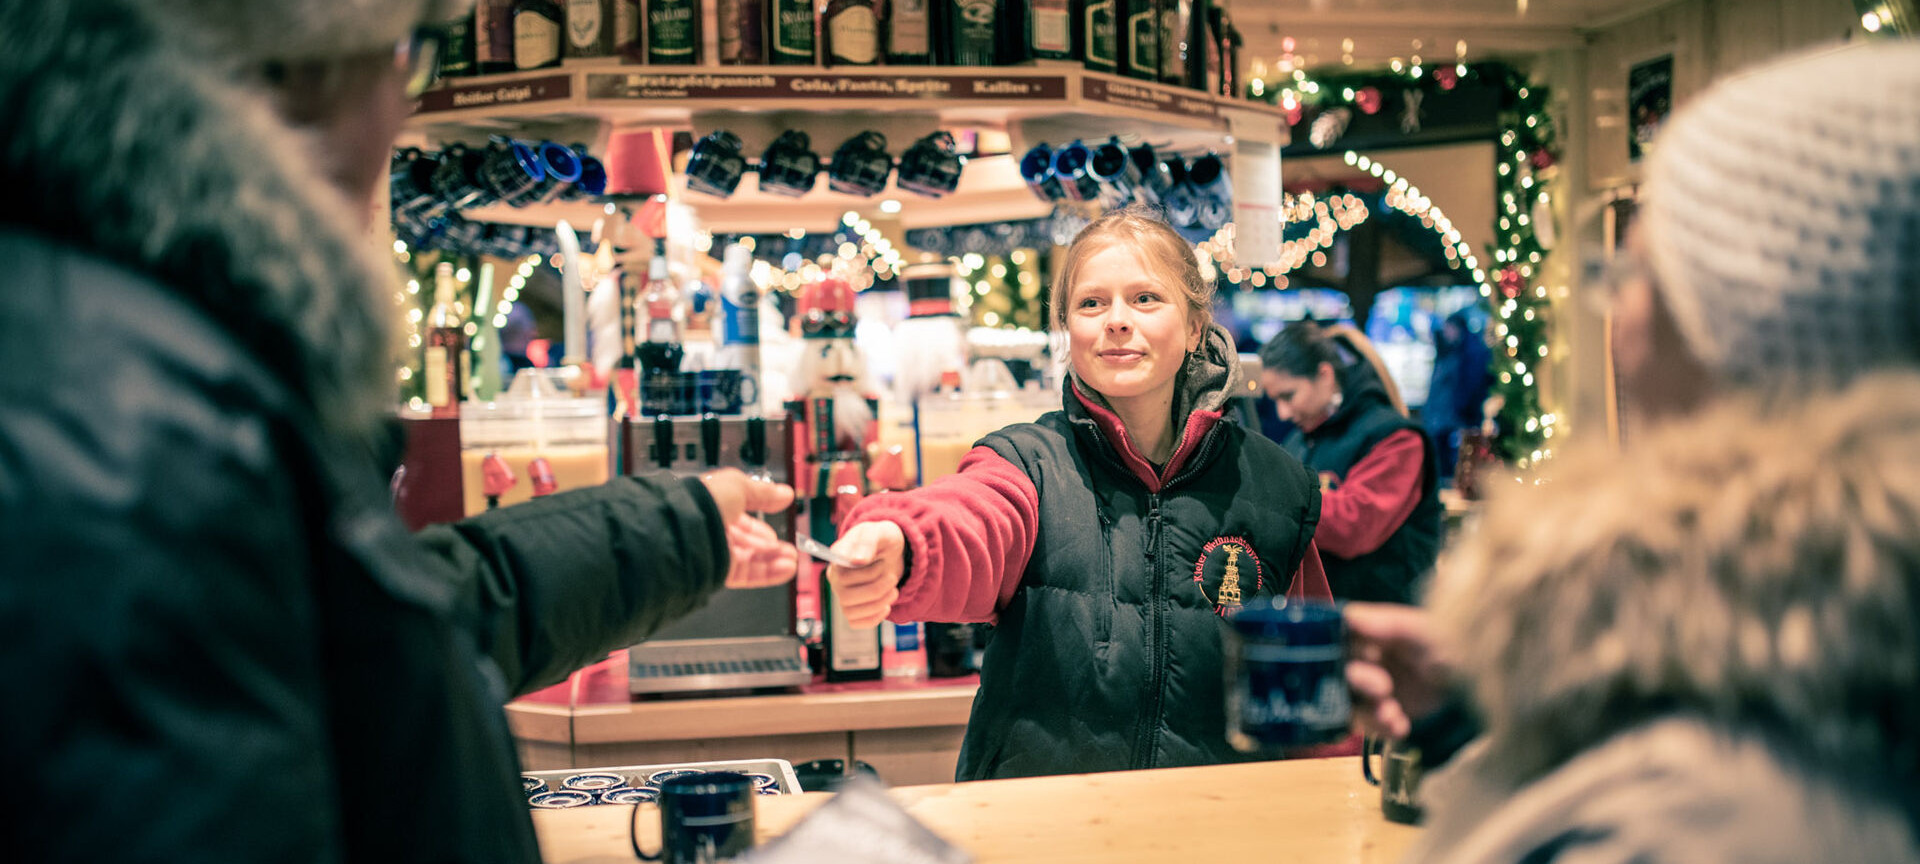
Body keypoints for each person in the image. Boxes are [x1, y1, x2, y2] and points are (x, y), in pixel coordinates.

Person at [0, 0, 797, 860]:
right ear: (292, 81)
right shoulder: (147, 435)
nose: (403, 107)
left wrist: (681, 523)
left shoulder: (133, 356)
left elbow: (386, 636)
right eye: (409, 57)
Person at [1347, 42, 1920, 863]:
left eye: (1636, 277)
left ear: (1739, 328)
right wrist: (1476, 719)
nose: (1617, 325)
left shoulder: (1686, 815)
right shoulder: (1808, 657)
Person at [823, 206, 1332, 781]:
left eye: (1145, 299)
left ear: (1194, 327)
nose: (1116, 320)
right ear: (1068, 328)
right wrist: (903, 541)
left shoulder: (1275, 482)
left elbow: (1318, 685)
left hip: (1218, 828)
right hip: (1042, 830)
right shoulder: (1026, 461)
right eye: (1091, 303)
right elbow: (972, 517)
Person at [1259, 321, 1442, 603]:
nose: (1282, 413)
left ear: (1325, 375)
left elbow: (1353, 525)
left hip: (1385, 626)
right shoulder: (1301, 440)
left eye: (1288, 395)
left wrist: (1268, 499)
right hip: (1320, 621)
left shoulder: (1397, 439)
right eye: (1275, 401)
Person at [1422, 308, 1493, 486]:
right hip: (1446, 418)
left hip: (1455, 419)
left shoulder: (1467, 354)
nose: (1446, 333)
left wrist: (1462, 410)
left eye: (1449, 328)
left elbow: (1469, 385)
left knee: (1458, 462)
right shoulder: (1454, 351)